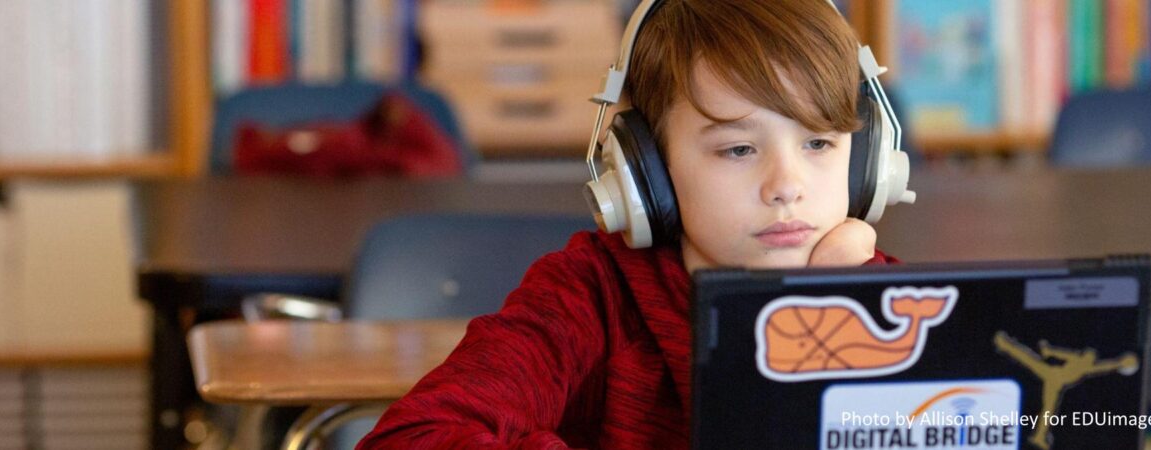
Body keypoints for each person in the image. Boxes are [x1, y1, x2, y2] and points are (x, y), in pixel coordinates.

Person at [358, 0, 911, 447]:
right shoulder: (590, 296)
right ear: (648, 171)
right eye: (739, 149)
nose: (787, 185)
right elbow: (411, 439)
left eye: (818, 143)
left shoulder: (898, 310)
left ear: (866, 162)